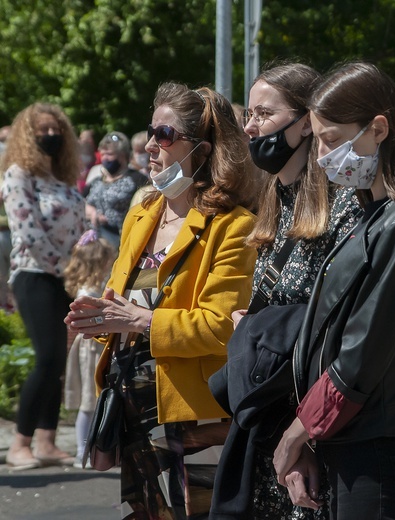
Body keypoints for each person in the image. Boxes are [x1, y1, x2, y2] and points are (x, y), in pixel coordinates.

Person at [65, 82, 258, 518]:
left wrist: (141, 320)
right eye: (151, 132)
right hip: (133, 409)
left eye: (165, 135)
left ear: (203, 150)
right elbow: (120, 311)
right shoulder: (141, 214)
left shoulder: (233, 226)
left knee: (199, 513)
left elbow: (223, 326)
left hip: (195, 418)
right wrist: (95, 322)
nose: (151, 145)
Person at [273, 62, 395, 519]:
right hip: (354, 449)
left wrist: (298, 433)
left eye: (330, 138)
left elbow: (362, 356)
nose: (322, 154)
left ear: (378, 128)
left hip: (381, 460)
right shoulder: (377, 214)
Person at [210, 63, 360, 520]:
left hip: (317, 435)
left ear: (305, 122)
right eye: (248, 116)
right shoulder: (275, 200)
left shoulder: (345, 206)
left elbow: (340, 339)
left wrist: (303, 436)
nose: (251, 127)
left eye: (263, 114)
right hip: (271, 427)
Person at [1, 102, 86, 470]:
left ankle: (47, 442)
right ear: (27, 135)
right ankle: (20, 444)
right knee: (47, 357)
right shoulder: (18, 174)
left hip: (66, 278)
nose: (51, 136)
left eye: (57, 130)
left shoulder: (63, 181)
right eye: (43, 131)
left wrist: (82, 267)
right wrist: (66, 268)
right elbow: (28, 231)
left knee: (59, 362)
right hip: (34, 274)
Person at [62, 229, 116, 468]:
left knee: (95, 400)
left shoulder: (93, 286)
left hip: (95, 344)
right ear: (99, 262)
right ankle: (82, 450)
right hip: (90, 346)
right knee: (88, 401)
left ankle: (93, 449)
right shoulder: (88, 291)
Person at [85, 131, 147, 248]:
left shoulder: (137, 179)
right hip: (94, 242)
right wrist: (93, 213)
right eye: (102, 155)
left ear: (122, 156)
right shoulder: (97, 180)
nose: (105, 158)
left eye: (109, 154)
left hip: (119, 241)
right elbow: (81, 201)